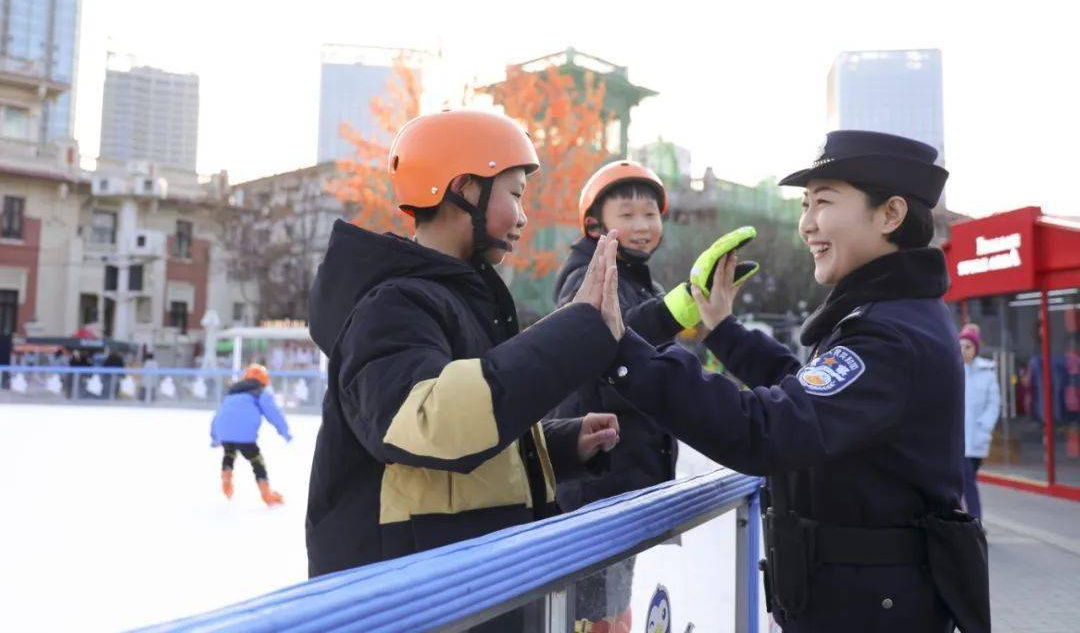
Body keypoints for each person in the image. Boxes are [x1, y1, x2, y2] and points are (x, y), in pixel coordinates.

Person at [597, 131, 989, 633]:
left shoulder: (889, 336)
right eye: (805, 205)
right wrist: (724, 332)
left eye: (823, 202)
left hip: (869, 613)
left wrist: (629, 354)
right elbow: (809, 395)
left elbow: (771, 429)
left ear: (890, 215)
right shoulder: (891, 316)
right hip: (864, 603)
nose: (806, 224)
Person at [304, 110, 624, 630]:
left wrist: (558, 445)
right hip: (411, 601)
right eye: (516, 194)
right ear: (464, 188)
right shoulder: (393, 304)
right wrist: (574, 334)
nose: (523, 217)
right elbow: (428, 423)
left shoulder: (457, 299)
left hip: (462, 587)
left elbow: (471, 422)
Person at [550, 160, 756, 633]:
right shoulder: (588, 273)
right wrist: (671, 310)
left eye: (651, 214)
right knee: (597, 612)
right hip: (600, 482)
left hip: (636, 476)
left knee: (632, 605)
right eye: (628, 215)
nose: (643, 226)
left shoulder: (642, 278)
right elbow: (601, 346)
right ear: (595, 223)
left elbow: (657, 364)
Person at [210, 363, 292, 506]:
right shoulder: (260, 393)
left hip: (224, 432)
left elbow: (218, 416)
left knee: (229, 453)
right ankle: (267, 494)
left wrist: (215, 436)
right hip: (245, 436)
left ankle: (226, 478)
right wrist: (284, 432)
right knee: (256, 461)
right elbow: (274, 413)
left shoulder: (231, 394)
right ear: (263, 380)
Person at [959, 324, 1000, 521]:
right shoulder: (953, 370)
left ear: (975, 348)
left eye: (968, 346)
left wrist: (984, 428)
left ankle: (967, 518)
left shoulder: (987, 373)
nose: (964, 350)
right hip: (958, 438)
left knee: (968, 479)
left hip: (977, 436)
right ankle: (975, 519)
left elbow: (993, 405)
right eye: (961, 346)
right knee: (966, 480)